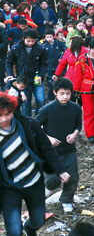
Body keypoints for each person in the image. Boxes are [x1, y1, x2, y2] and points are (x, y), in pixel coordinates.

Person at [0, 92, 70, 236]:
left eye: (7, 114)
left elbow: (46, 148)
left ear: (12, 110)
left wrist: (60, 170)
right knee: (13, 231)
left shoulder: (28, 125)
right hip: (10, 187)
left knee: (38, 220)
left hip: (33, 181)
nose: (4, 119)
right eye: (0, 116)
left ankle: (29, 228)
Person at [35, 78, 82, 213]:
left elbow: (78, 125)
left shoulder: (75, 108)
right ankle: (46, 188)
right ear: (55, 93)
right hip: (51, 152)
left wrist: (74, 134)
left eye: (68, 93)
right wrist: (48, 138)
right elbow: (35, 125)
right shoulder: (47, 109)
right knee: (53, 180)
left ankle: (66, 200)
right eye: (62, 93)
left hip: (69, 150)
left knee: (72, 178)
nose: (65, 96)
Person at [5, 29, 48, 117]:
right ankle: (27, 121)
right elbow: (9, 62)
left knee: (41, 100)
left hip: (36, 79)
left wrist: (41, 75)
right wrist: (10, 75)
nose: (30, 43)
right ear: (23, 38)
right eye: (28, 41)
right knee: (25, 103)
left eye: (33, 41)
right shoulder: (16, 48)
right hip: (22, 80)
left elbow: (44, 64)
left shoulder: (41, 48)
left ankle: (38, 120)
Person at [73, 39, 94, 143]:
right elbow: (77, 75)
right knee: (89, 112)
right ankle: (91, 134)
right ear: (89, 48)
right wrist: (76, 90)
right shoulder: (82, 59)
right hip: (86, 89)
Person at [40, 29, 66, 101]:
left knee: (61, 83)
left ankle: (60, 98)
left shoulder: (59, 43)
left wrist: (61, 58)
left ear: (53, 36)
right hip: (49, 67)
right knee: (50, 84)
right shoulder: (43, 45)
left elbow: (65, 51)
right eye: (47, 37)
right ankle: (50, 99)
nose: (49, 39)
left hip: (59, 66)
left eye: (50, 37)